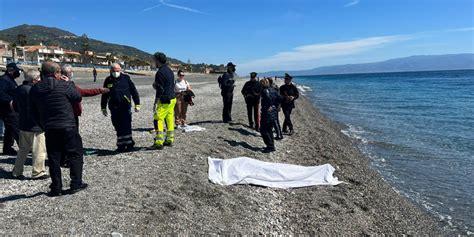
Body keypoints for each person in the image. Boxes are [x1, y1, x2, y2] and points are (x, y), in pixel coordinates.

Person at [29, 61, 86, 196]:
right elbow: (77, 97)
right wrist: (70, 83)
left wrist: (42, 125)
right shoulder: (64, 85)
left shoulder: (35, 89)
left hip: (50, 126)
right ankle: (76, 183)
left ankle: (56, 187)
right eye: (59, 72)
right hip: (67, 125)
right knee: (75, 154)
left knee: (54, 157)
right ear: (56, 73)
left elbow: (32, 110)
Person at [11, 69, 48, 180]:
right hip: (35, 125)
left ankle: (17, 171)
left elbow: (15, 106)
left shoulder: (19, 89)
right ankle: (38, 172)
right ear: (35, 79)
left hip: (23, 123)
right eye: (39, 78)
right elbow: (40, 108)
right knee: (39, 150)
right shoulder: (34, 91)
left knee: (23, 149)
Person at [101, 63, 140, 152]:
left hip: (125, 106)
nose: (116, 72)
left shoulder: (126, 78)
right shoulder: (108, 80)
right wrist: (103, 107)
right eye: (114, 71)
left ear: (120, 70)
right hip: (114, 107)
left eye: (118, 70)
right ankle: (121, 145)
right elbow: (104, 95)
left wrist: (137, 104)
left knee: (126, 125)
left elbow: (134, 91)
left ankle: (129, 144)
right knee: (117, 126)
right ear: (111, 71)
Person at [150, 52, 176, 150]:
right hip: (172, 98)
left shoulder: (160, 72)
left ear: (157, 60)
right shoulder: (169, 70)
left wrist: (155, 102)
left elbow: (160, 90)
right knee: (169, 118)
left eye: (153, 60)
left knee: (158, 119)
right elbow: (169, 85)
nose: (152, 62)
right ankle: (170, 139)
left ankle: (159, 141)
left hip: (164, 99)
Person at [0, 63, 21, 155]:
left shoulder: (10, 80)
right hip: (7, 109)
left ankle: (7, 148)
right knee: (15, 127)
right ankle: (25, 146)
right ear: (10, 70)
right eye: (16, 70)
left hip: (10, 108)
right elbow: (1, 94)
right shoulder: (3, 80)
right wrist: (11, 100)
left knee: (9, 129)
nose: (18, 72)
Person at [259, 78, 282, 153]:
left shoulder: (265, 91)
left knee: (263, 130)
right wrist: (274, 106)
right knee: (269, 130)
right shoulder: (274, 90)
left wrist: (270, 106)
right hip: (273, 112)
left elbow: (269, 99)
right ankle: (271, 145)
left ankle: (270, 146)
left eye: (261, 84)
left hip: (267, 113)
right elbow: (280, 98)